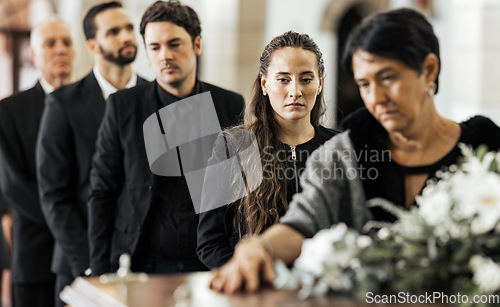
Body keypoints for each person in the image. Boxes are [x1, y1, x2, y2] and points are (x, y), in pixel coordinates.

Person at [209, 8, 500, 294]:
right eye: (364, 84)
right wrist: (259, 249)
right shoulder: (343, 152)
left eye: (388, 78)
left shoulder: (482, 146)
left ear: (428, 70)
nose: (376, 98)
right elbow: (304, 221)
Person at [87, 0, 244, 276]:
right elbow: (102, 192)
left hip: (209, 264)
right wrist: (101, 273)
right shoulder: (123, 107)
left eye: (175, 44)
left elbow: (241, 193)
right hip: (141, 262)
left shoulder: (230, 105)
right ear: (146, 53)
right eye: (155, 47)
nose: (165, 56)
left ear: (197, 45)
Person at [35, 2, 147, 306]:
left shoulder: (154, 99)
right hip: (80, 266)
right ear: (92, 44)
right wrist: (89, 264)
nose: (126, 36)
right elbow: (54, 195)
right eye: (114, 31)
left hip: (146, 265)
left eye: (128, 29)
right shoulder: (63, 104)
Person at [197, 31, 338, 269]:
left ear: (320, 82)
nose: (295, 91)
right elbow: (209, 243)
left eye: (306, 79)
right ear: (265, 83)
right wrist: (247, 275)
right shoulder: (234, 146)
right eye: (283, 79)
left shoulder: (339, 147)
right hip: (256, 292)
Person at [0, 19, 74, 307]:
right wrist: (69, 225)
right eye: (50, 43)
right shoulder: (9, 110)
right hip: (36, 255)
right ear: (33, 54)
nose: (60, 50)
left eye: (66, 42)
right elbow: (14, 186)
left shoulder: (93, 104)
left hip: (87, 256)